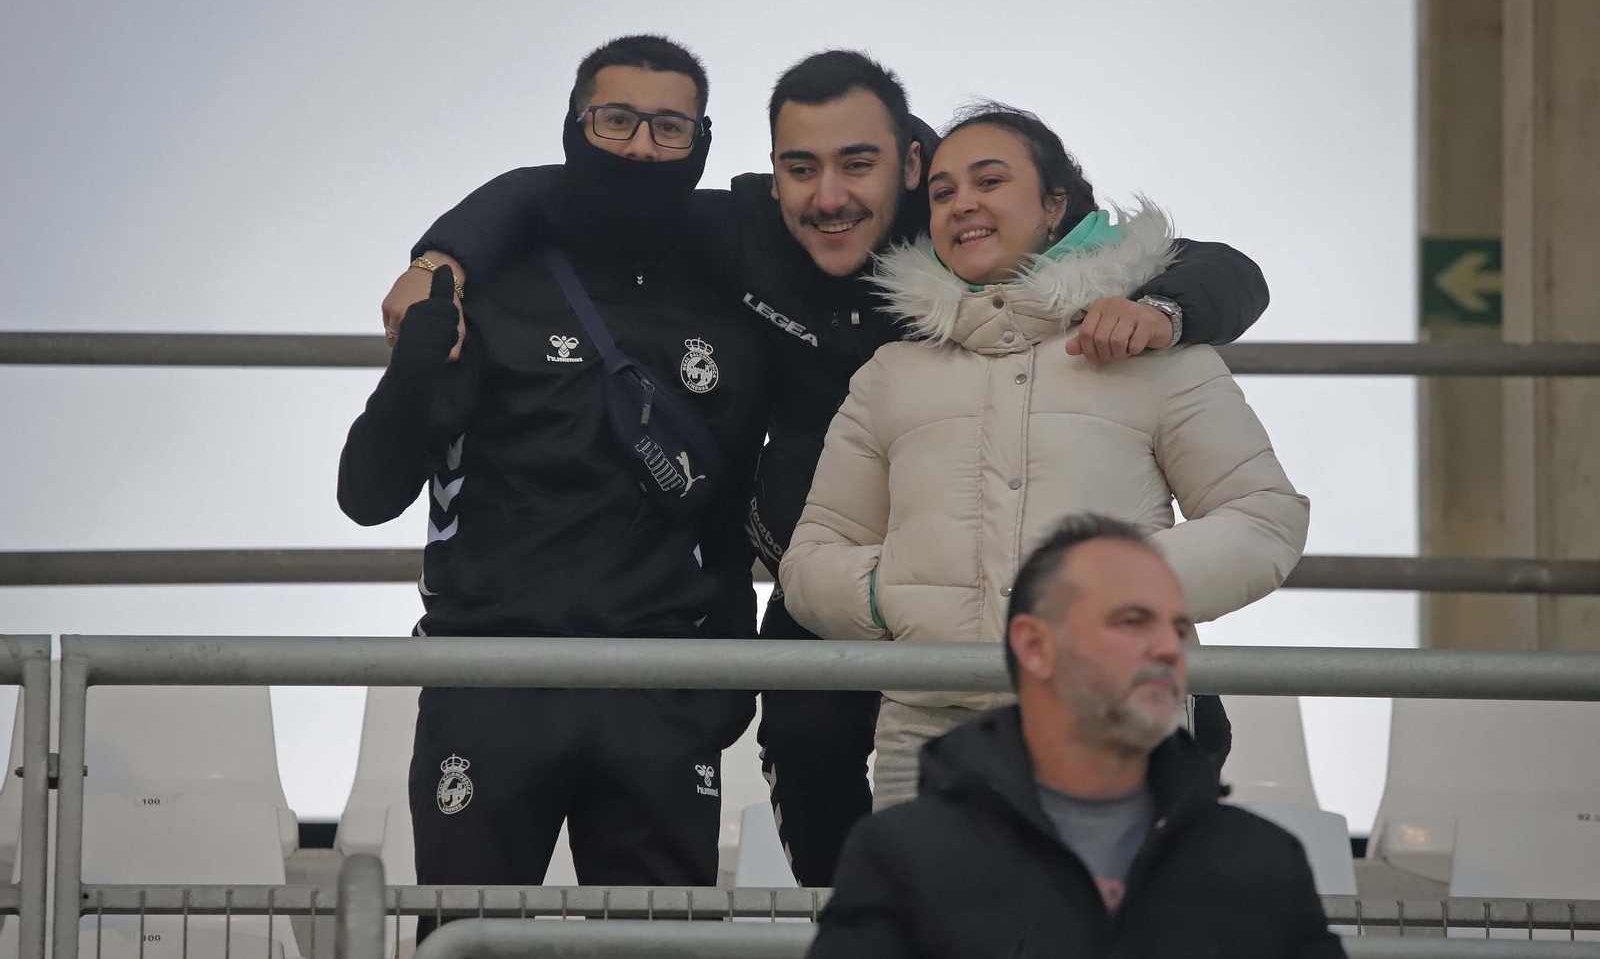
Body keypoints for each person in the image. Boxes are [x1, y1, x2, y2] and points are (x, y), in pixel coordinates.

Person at [379, 52, 1273, 885]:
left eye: (859, 164)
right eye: (799, 168)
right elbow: (552, 193)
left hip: (1024, 559)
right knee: (807, 728)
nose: (830, 196)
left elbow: (1219, 268)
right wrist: (437, 260)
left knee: (1173, 746)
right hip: (850, 569)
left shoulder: (968, 234)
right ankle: (854, 915)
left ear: (910, 163)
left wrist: (1160, 310)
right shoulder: (750, 231)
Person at [336, 35, 769, 910]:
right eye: (616, 120)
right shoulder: (489, 288)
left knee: (658, 949)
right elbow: (367, 495)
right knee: (470, 940)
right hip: (493, 679)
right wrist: (418, 362)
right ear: (574, 127)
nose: (641, 147)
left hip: (658, 689)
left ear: (703, 142)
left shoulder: (731, 301)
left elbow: (726, 522)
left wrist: (729, 675)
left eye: (669, 127)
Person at [779, 103, 1308, 809]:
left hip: (1119, 724)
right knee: (934, 923)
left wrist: (1125, 594)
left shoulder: (1155, 349)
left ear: (1055, 203)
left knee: (1106, 923)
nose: (963, 202)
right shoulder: (890, 373)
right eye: (941, 193)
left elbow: (1265, 518)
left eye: (990, 180)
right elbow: (812, 556)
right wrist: (885, 596)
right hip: (928, 739)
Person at [807, 514, 1343, 959]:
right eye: (1132, 620)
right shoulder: (903, 859)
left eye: (1178, 628)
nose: (1166, 648)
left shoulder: (1262, 863)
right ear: (1035, 646)